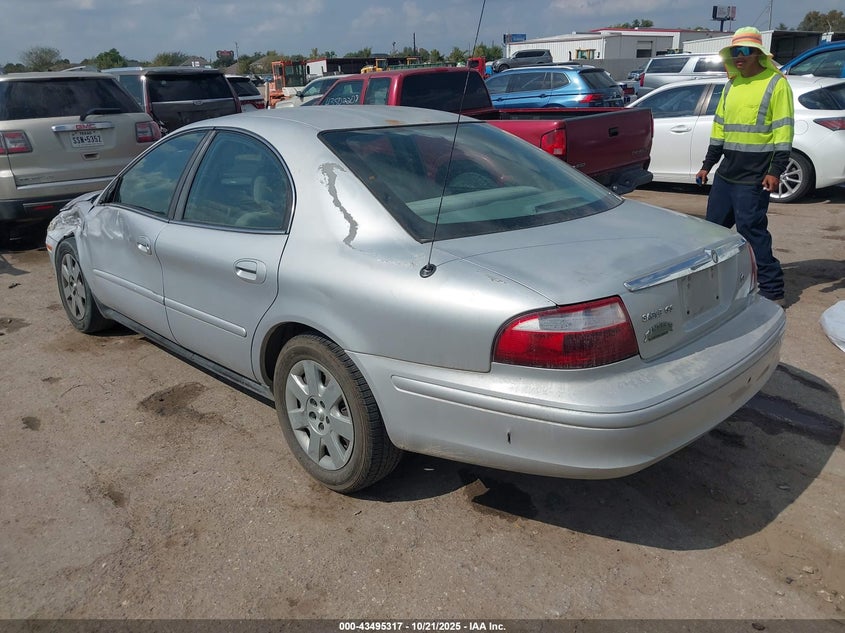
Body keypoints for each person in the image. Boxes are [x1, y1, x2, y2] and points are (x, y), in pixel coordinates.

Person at [695, 26, 794, 306]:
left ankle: (773, 290)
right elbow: (720, 129)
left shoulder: (776, 84)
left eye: (746, 51)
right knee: (712, 230)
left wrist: (776, 170)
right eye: (735, 51)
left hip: (755, 176)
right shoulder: (732, 85)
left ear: (758, 55)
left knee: (752, 229)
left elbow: (783, 132)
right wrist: (708, 165)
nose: (739, 56)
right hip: (727, 173)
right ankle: (711, 285)